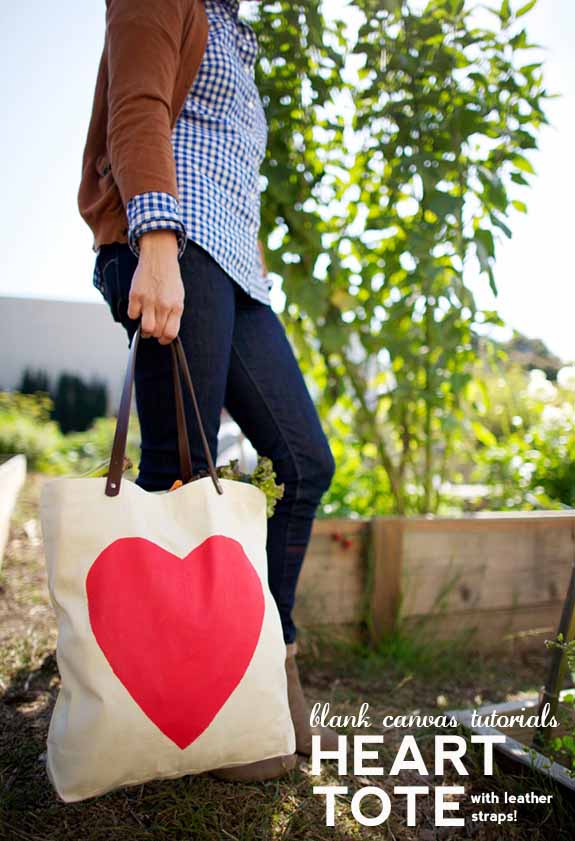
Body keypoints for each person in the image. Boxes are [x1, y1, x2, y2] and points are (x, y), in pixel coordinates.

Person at [78, 0, 339, 781]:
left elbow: (231, 160)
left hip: (234, 266)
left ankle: (269, 655)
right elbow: (139, 108)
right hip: (175, 239)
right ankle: (181, 696)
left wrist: (254, 265)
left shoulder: (232, 27)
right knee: (181, 474)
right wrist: (154, 244)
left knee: (304, 461)